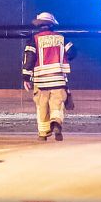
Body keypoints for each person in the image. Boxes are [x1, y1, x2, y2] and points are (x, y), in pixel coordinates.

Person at [23, 12, 76, 141]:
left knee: (42, 105)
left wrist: (26, 77)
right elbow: (73, 52)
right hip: (58, 79)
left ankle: (43, 133)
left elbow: (29, 58)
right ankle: (56, 122)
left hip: (41, 81)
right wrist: (61, 58)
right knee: (57, 103)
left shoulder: (34, 39)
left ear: (39, 24)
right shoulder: (61, 38)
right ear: (52, 24)